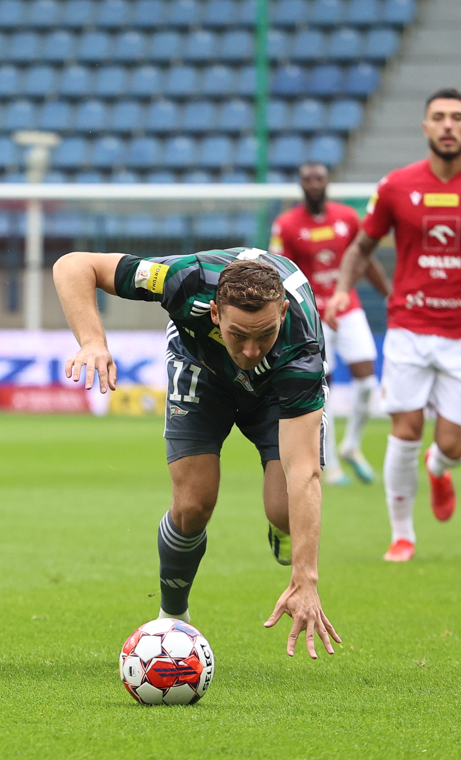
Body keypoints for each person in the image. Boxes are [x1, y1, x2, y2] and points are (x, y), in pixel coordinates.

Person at [53, 248, 341, 660]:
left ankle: (282, 530)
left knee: (285, 509)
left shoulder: (301, 349)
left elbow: (305, 473)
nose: (251, 350)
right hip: (201, 370)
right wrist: (93, 341)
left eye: (265, 334)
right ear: (215, 315)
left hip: (277, 389)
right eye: (239, 334)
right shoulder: (182, 281)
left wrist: (305, 578)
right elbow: (73, 265)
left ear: (280, 315)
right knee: (192, 504)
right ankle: (173, 616)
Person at [327, 88, 461, 563]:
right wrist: (342, 288)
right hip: (409, 326)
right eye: (438, 117)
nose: (447, 125)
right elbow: (360, 247)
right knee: (405, 427)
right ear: (425, 127)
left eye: (457, 117)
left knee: (455, 445)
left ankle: (440, 468)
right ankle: (402, 535)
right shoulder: (397, 185)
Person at [271, 162, 391, 486]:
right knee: (323, 389)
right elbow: (277, 269)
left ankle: (352, 445)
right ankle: (331, 462)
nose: (313, 184)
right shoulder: (286, 225)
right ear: (300, 184)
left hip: (347, 306)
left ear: (328, 182)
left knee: (367, 383)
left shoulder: (348, 218)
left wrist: (389, 295)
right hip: (312, 314)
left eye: (319, 178)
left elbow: (365, 259)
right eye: (307, 179)